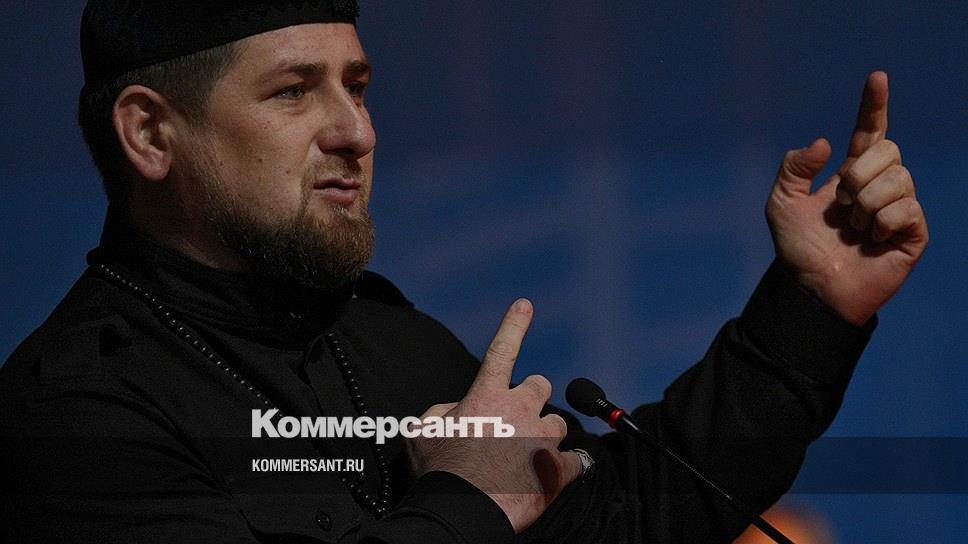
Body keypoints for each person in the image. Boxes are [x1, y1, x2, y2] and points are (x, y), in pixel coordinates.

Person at [0, 1, 928, 543]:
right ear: (150, 133)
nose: (357, 132)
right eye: (293, 91)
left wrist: (813, 306)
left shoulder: (386, 340)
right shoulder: (74, 412)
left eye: (356, 86)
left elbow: (628, 520)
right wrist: (467, 504)